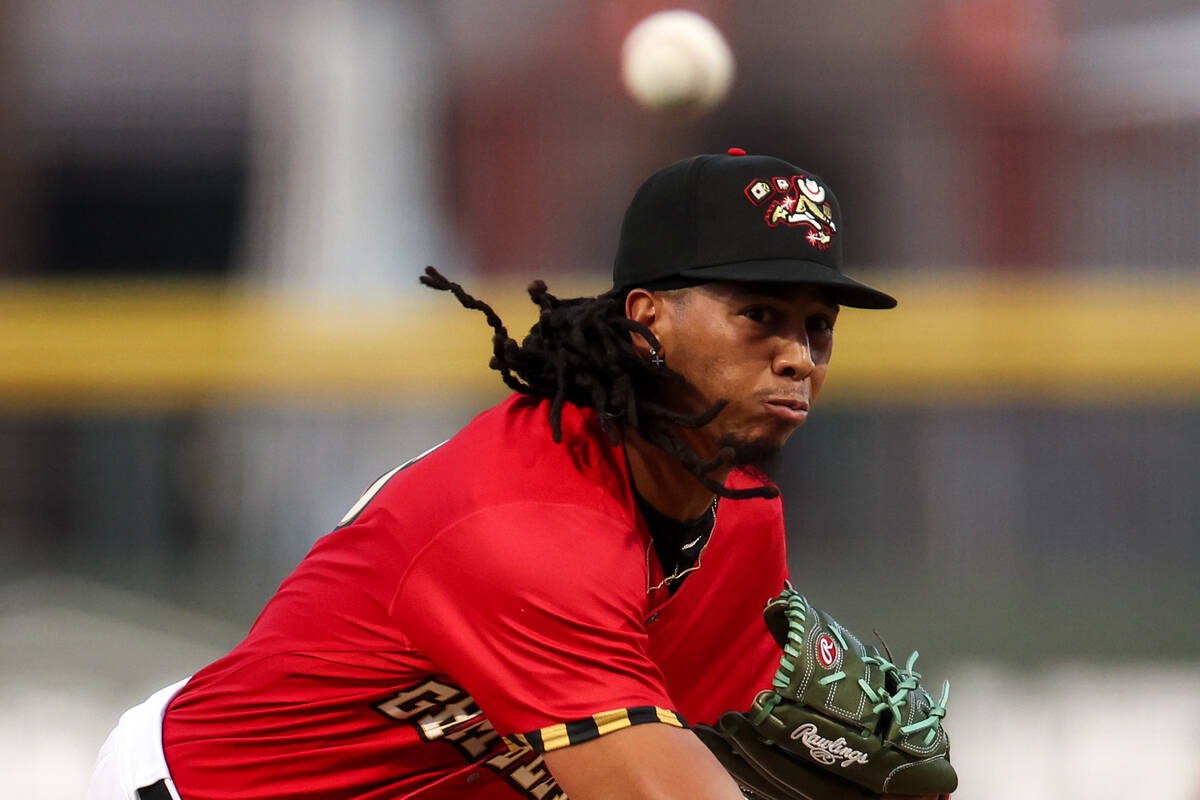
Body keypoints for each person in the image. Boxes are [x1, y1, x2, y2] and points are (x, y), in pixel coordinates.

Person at [86, 150, 913, 800]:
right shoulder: (526, 525)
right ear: (646, 318)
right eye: (758, 315)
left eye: (818, 325)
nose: (798, 356)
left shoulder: (742, 518)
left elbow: (722, 748)